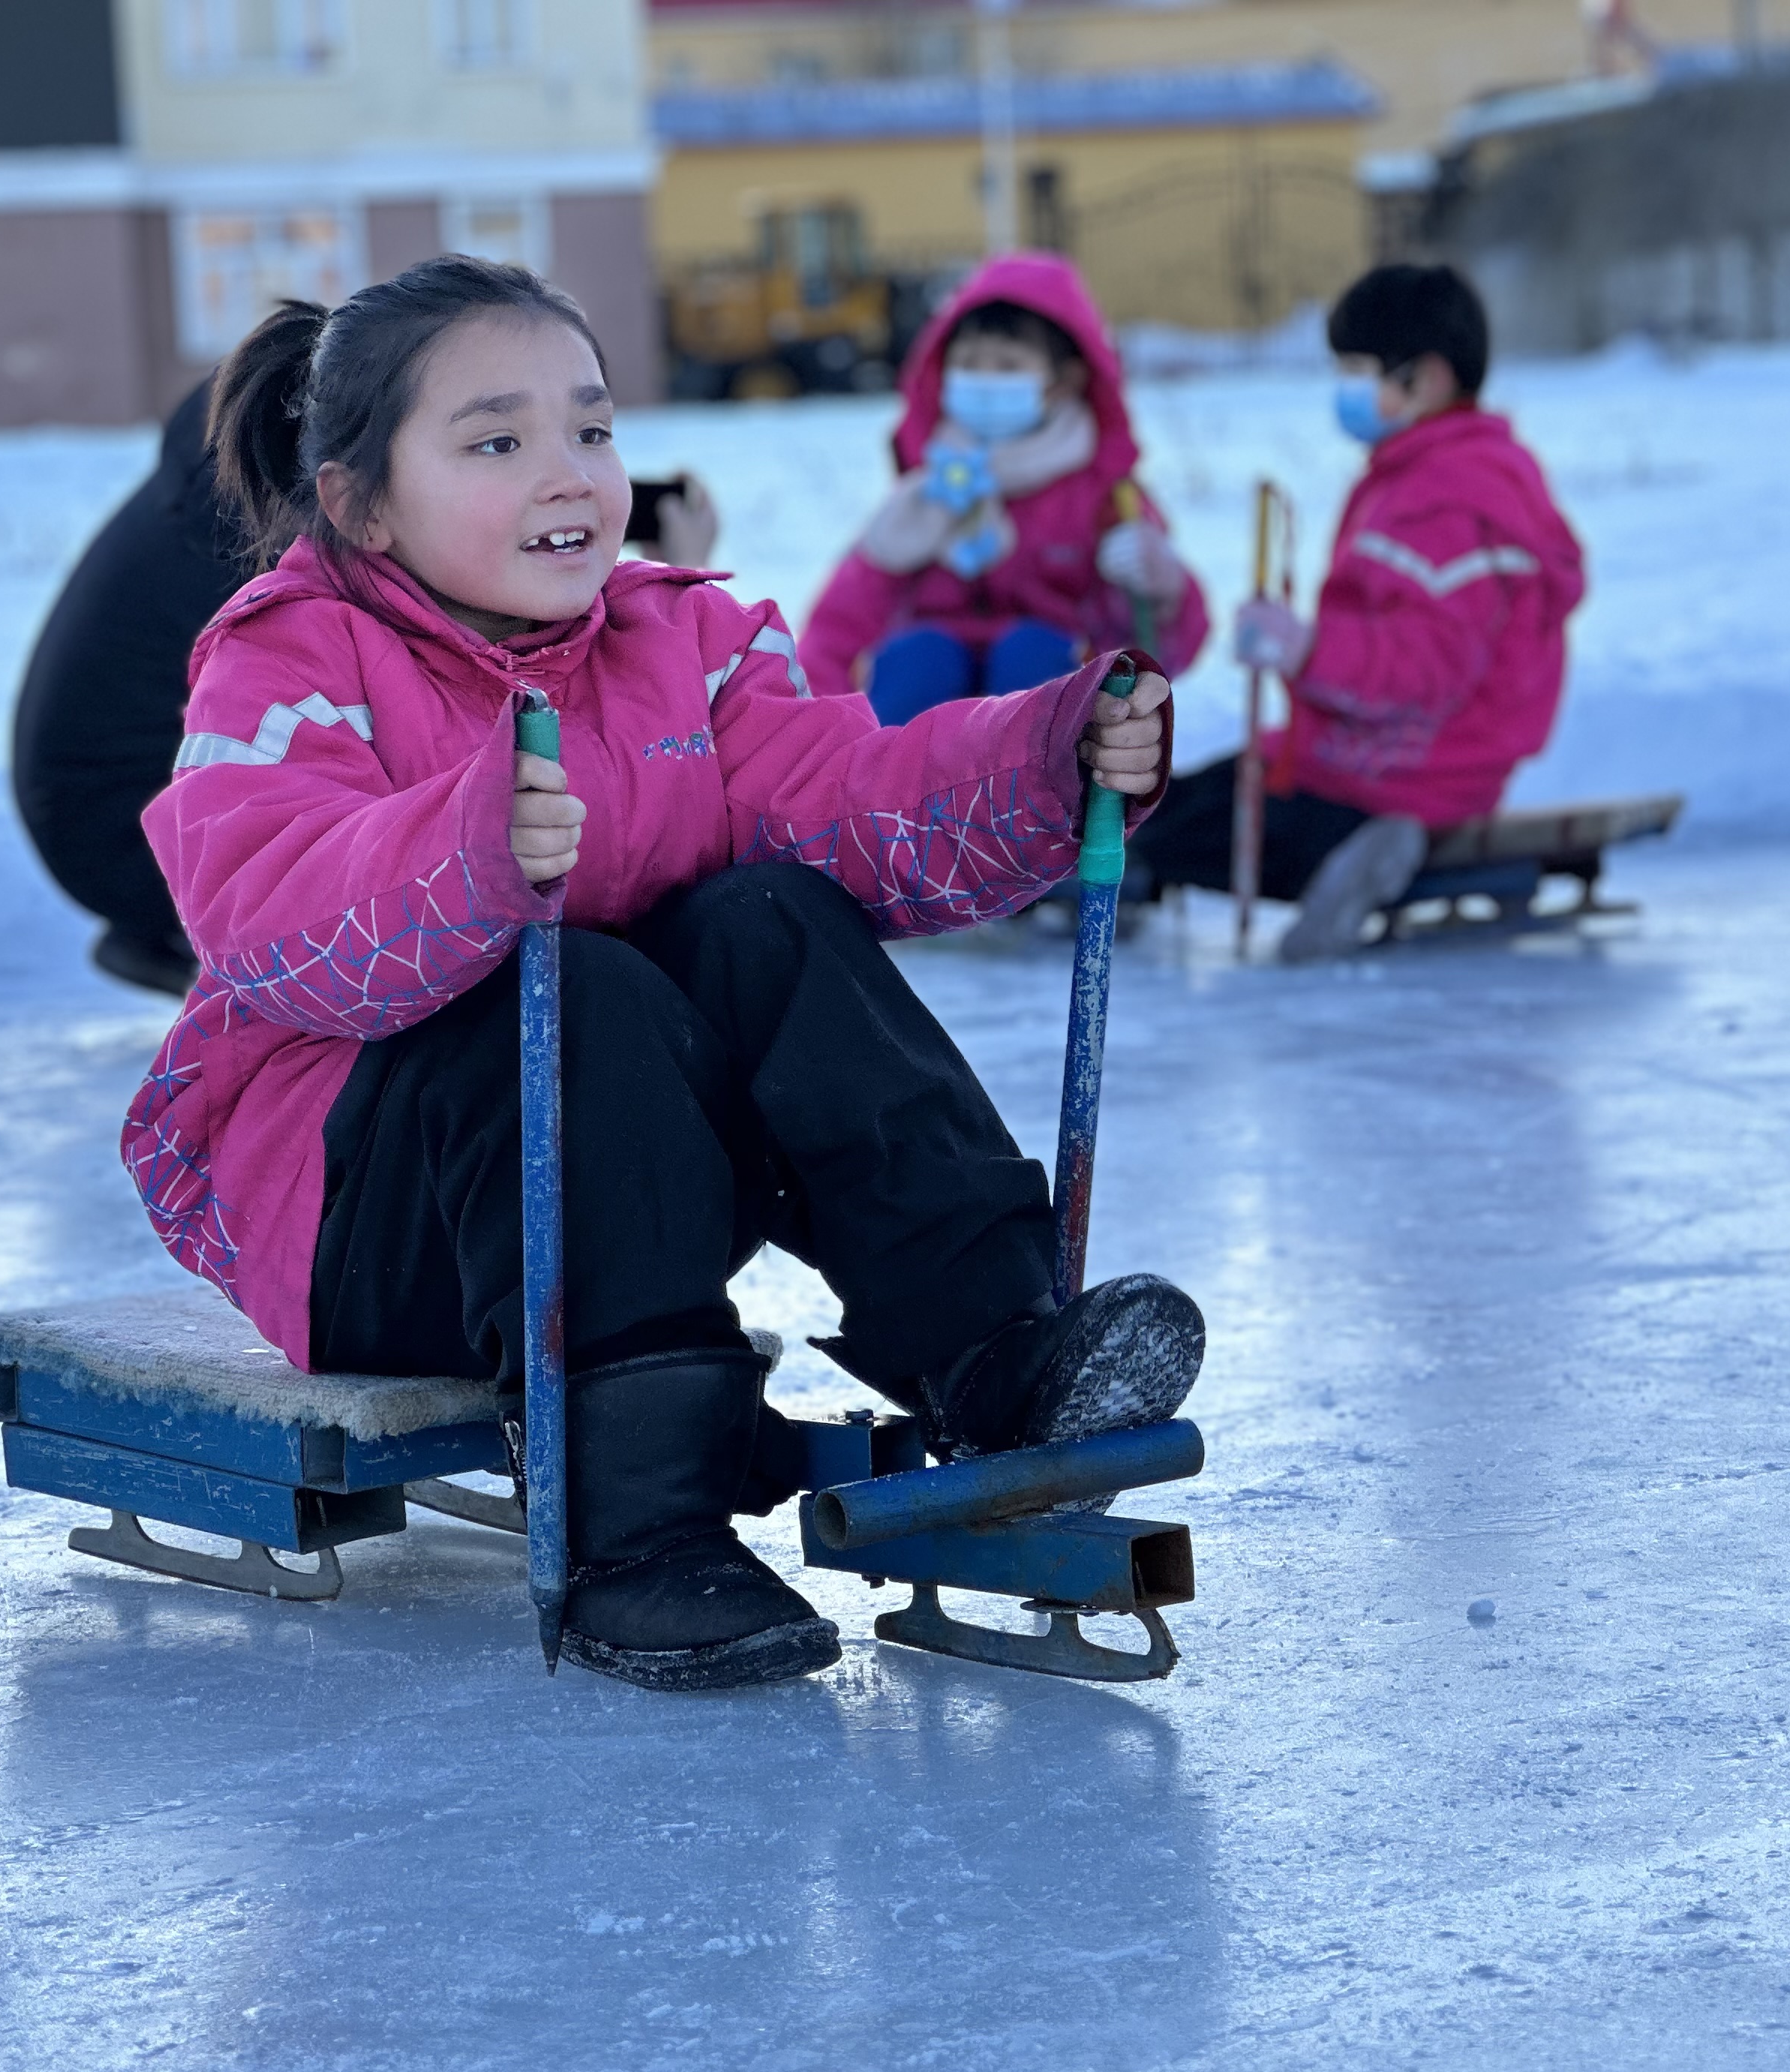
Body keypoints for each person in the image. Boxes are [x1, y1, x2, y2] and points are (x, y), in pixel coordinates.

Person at [129, 254, 1203, 1694]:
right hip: (378, 1210)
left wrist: (1041, 750)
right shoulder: (289, 659)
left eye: (591, 428)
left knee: (767, 916)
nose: (567, 475)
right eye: (497, 442)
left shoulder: (674, 642)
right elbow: (270, 920)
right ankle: (635, 1521)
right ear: (360, 502)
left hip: (613, 1184)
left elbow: (847, 794)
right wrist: (470, 847)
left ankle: (996, 1346)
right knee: (576, 983)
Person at [11, 376, 721, 996]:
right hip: (130, 819)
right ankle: (208, 966)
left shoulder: (223, 486)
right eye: (491, 442)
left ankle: (164, 938)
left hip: (85, 804)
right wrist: (658, 591)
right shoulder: (272, 539)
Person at [1129, 263, 1587, 964]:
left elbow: (1429, 666)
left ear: (1424, 379)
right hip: (1367, 755)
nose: (1344, 390)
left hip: (1405, 771)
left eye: (1357, 370)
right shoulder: (1421, 473)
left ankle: (1358, 851)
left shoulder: (1448, 496)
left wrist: (1307, 649)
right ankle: (1323, 852)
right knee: (1193, 805)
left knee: (1207, 826)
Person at [796, 252, 1206, 724]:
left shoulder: (1103, 499)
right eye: (968, 364)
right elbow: (846, 616)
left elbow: (1159, 653)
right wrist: (818, 719)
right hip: (928, 714)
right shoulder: (925, 494)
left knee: (1032, 652)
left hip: (1050, 703)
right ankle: (886, 789)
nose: (984, 381)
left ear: (1065, 382)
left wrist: (1162, 593)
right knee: (919, 656)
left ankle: (1043, 791)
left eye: (1008, 366)